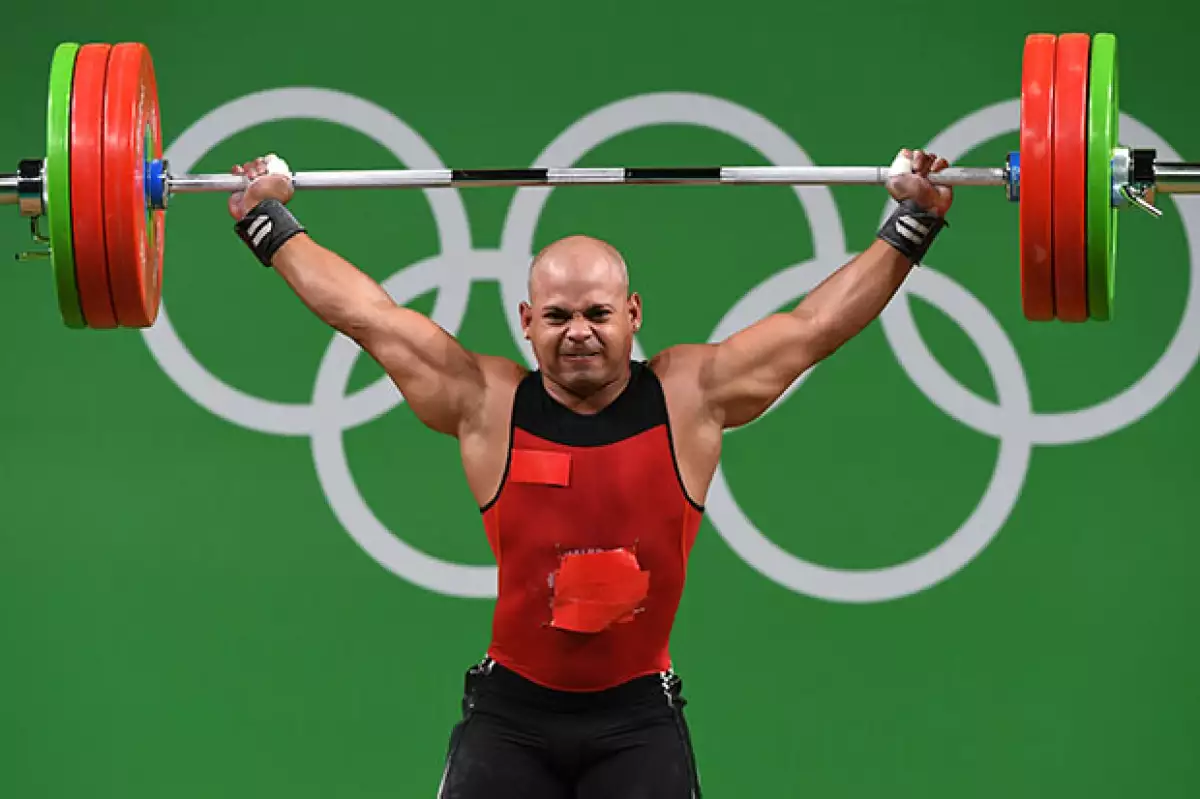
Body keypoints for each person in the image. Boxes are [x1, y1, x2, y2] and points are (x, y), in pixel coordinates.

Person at [227, 148, 953, 798]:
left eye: (599, 312)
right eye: (559, 314)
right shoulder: (486, 403)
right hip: (510, 717)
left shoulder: (690, 396)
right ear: (526, 320)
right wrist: (271, 224)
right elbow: (368, 315)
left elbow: (813, 328)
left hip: (636, 721)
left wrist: (909, 227)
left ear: (634, 314)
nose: (579, 330)